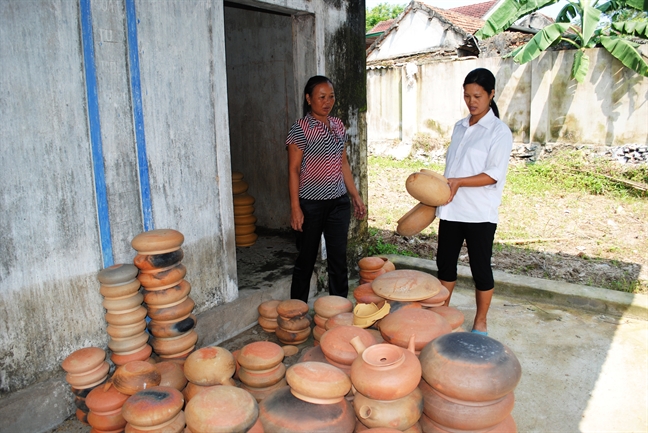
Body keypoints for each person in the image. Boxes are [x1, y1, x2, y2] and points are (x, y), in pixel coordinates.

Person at [435, 68, 513, 336]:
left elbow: (493, 175)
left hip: (479, 212)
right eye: (467, 96)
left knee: (480, 268)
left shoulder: (499, 132)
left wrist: (458, 182)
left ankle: (481, 321)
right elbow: (452, 168)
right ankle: (442, 314)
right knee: (445, 264)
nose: (471, 101)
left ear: (491, 94)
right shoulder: (459, 126)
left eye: (477, 96)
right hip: (451, 209)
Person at [286, 75, 366, 303]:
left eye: (331, 96)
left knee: (338, 260)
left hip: (338, 204)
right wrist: (295, 208)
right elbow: (293, 170)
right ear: (309, 99)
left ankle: (338, 309)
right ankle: (297, 311)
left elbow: (343, 164)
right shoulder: (300, 129)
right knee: (306, 260)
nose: (327, 101)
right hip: (310, 205)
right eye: (321, 97)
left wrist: (355, 196)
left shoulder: (338, 125)